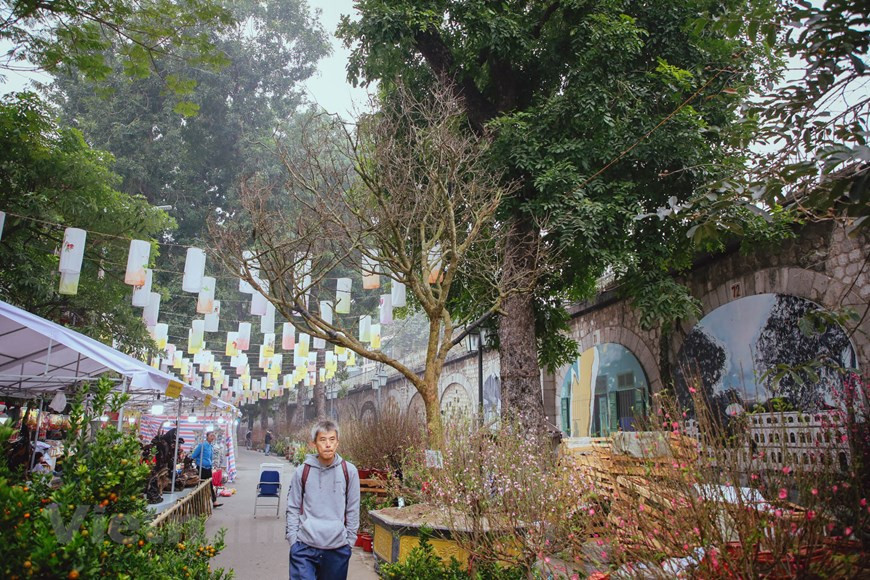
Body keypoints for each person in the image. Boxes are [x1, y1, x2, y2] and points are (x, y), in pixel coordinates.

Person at [285, 420, 359, 580]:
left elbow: (353, 508)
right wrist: (293, 540)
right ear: (313, 444)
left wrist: (350, 541)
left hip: (337, 549)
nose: (328, 445)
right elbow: (293, 507)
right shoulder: (302, 471)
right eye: (323, 440)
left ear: (337, 443)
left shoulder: (349, 471)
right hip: (305, 547)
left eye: (332, 440)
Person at [190, 432, 222, 508]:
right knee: (200, 485)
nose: (212, 437)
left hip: (208, 468)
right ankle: (198, 503)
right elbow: (193, 455)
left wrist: (212, 465)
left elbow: (210, 458)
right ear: (207, 437)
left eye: (213, 436)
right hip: (201, 468)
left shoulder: (211, 446)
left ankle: (214, 501)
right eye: (211, 436)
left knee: (210, 485)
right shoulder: (202, 446)